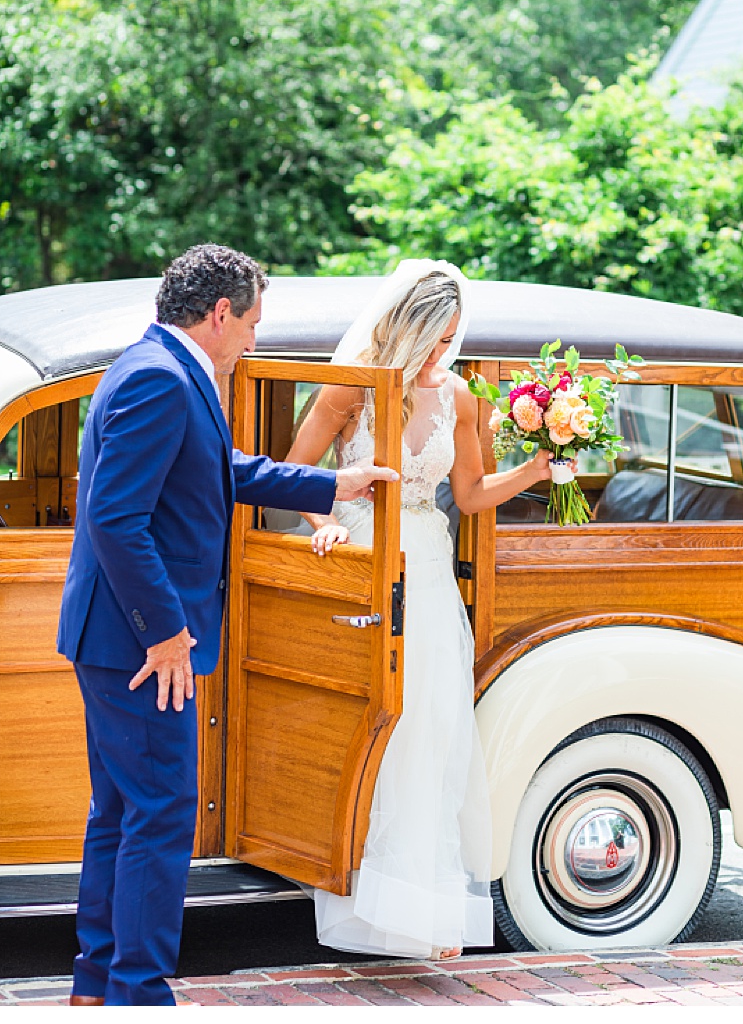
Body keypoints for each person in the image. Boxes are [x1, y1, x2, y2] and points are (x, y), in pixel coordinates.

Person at [57, 245, 400, 1006]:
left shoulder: (158, 364)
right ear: (220, 314)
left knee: (121, 810)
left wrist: (332, 481)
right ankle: (138, 992)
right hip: (142, 647)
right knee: (163, 812)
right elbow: (114, 519)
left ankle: (97, 982)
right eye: (251, 324)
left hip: (116, 639)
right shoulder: (159, 378)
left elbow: (222, 470)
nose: (252, 341)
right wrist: (165, 631)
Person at [282, 260, 561, 960]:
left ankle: (427, 913)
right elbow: (293, 475)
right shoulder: (352, 389)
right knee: (380, 730)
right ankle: (362, 902)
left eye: (451, 340)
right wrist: (323, 522)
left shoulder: (463, 397)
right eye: (433, 340)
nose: (443, 355)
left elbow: (466, 495)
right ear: (405, 329)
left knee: (433, 731)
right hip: (361, 562)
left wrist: (533, 471)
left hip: (429, 571)